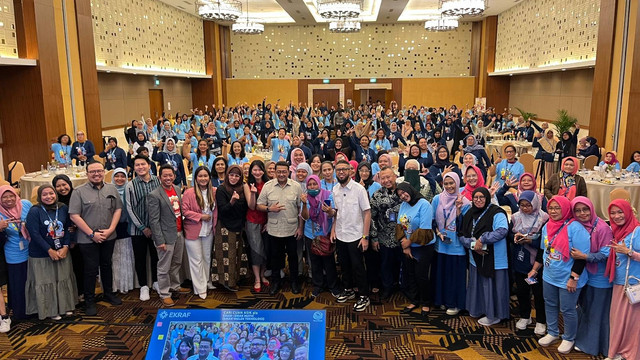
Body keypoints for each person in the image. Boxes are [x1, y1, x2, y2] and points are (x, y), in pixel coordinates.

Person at [527, 196, 590, 354]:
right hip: (549, 275)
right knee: (550, 303)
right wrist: (535, 270)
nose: (553, 211)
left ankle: (569, 337)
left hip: (568, 278)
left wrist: (573, 279)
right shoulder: (547, 226)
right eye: (551, 208)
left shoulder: (576, 228)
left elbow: (581, 257)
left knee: (568, 309)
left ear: (565, 209)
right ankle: (553, 332)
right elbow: (543, 250)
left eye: (557, 208)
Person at [69, 161, 123, 316]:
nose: (96, 174)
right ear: (87, 174)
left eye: (99, 171)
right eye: (92, 172)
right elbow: (74, 215)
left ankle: (108, 293)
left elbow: (118, 209)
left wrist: (111, 229)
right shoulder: (79, 191)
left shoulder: (111, 188)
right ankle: (89, 300)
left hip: (109, 235)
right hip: (87, 239)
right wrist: (92, 234)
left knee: (107, 265)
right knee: (90, 270)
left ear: (103, 172)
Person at [24, 185, 77, 320]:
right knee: (46, 282)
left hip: (62, 251)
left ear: (55, 194)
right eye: (45, 195)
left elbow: (68, 228)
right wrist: (49, 250)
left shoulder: (63, 208)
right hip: (41, 254)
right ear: (40, 197)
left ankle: (65, 307)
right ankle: (50, 310)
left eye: (51, 193)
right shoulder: (34, 211)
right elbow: (34, 234)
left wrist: (65, 246)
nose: (49, 197)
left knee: (63, 279)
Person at [459, 187, 509, 326]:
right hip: (475, 256)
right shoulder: (470, 213)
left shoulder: (496, 212)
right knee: (478, 285)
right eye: (475, 197)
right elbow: (462, 234)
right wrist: (474, 245)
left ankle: (494, 315)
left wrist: (483, 239)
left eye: (482, 197)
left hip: (494, 259)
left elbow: (502, 231)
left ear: (487, 198)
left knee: (492, 287)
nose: (478, 200)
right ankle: (480, 309)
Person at [570, 196, 613, 357]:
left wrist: (585, 256)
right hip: (584, 275)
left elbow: (606, 253)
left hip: (600, 277)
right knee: (586, 308)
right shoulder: (576, 226)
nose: (582, 214)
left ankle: (595, 345)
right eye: (578, 210)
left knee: (597, 312)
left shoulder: (602, 228)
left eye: (585, 209)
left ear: (592, 209)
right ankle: (583, 340)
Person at [256, 161, 304, 295]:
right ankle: (276, 281)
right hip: (274, 229)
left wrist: (300, 228)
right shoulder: (268, 186)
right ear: (275, 172)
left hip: (292, 229)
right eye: (279, 172)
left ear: (288, 172)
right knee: (275, 258)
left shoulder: (296, 186)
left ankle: (294, 281)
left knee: (293, 257)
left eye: (284, 172)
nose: (281, 174)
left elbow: (301, 209)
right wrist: (269, 208)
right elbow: (259, 205)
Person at [331, 160, 372, 312]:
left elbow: (367, 213)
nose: (341, 172)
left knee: (358, 267)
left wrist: (365, 236)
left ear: (350, 171)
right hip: (341, 233)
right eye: (338, 170)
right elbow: (336, 213)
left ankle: (364, 296)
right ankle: (348, 289)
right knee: (344, 265)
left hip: (356, 234)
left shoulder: (359, 189)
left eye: (344, 169)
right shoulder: (335, 189)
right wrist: (333, 230)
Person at [148, 164, 189, 307]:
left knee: (177, 262)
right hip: (165, 236)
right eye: (165, 175)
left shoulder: (177, 190)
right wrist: (159, 240)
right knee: (164, 267)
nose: (168, 178)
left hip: (179, 232)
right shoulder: (154, 195)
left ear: (174, 176)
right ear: (159, 177)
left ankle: (175, 286)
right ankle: (164, 293)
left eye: (170, 175)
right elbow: (153, 220)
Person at [604, 199, 640, 360]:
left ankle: (630, 354)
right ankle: (616, 351)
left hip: (634, 284)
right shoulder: (616, 231)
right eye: (613, 213)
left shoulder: (637, 231)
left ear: (628, 212)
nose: (617, 216)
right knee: (617, 320)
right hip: (619, 282)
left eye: (620, 212)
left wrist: (629, 252)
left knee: (633, 323)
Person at [509, 190, 548, 335]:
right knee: (522, 290)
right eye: (522, 205)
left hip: (536, 261)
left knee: (538, 293)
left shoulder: (544, 218)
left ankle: (541, 320)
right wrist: (515, 236)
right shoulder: (515, 217)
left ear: (535, 204)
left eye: (528, 205)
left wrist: (531, 240)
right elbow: (508, 233)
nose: (525, 208)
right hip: (520, 259)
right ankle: (525, 316)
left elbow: (546, 241)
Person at [396, 181, 435, 317]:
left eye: (404, 192)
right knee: (410, 274)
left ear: (410, 189)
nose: (402, 196)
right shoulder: (403, 205)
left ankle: (425, 303)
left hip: (423, 246)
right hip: (407, 246)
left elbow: (424, 230)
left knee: (421, 275)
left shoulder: (424, 205)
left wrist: (409, 242)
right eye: (399, 194)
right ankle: (414, 300)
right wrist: (404, 244)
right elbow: (399, 226)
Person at [432, 173, 469, 315]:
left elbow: (465, 226)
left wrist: (458, 210)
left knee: (455, 277)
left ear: (458, 183)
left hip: (457, 246)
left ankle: (455, 304)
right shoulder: (437, 199)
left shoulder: (464, 202)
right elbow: (433, 219)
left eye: (451, 183)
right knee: (442, 274)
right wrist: (438, 232)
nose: (449, 186)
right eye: (446, 184)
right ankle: (442, 300)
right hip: (441, 244)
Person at [126, 155, 161, 301]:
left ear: (149, 165)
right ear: (134, 168)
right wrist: (142, 227)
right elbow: (130, 208)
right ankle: (143, 286)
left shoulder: (158, 181)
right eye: (137, 165)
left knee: (156, 257)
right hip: (137, 230)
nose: (140, 167)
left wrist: (155, 227)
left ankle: (156, 282)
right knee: (140, 258)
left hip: (157, 229)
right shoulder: (131, 185)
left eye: (143, 164)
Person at [301, 175, 339, 298]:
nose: (312, 187)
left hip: (325, 233)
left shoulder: (328, 195)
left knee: (329, 262)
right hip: (310, 234)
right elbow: (305, 217)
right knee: (315, 262)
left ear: (319, 184)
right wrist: (304, 203)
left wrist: (328, 211)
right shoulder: (305, 197)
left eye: (314, 184)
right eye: (310, 185)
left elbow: (333, 213)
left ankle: (333, 286)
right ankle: (318, 286)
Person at [182, 166, 217, 299]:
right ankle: (199, 287)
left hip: (208, 230)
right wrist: (200, 216)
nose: (203, 179)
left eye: (205, 176)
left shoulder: (214, 191)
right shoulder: (189, 193)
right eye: (200, 176)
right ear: (195, 178)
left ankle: (206, 281)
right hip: (193, 230)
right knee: (196, 260)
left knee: (207, 257)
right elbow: (184, 211)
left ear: (209, 178)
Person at [214, 165, 249, 292]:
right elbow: (223, 210)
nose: (234, 178)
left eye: (237, 175)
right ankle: (227, 282)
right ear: (227, 175)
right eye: (231, 175)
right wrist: (232, 202)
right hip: (225, 226)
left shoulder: (243, 188)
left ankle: (237, 278)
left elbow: (245, 208)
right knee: (227, 256)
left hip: (239, 225)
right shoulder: (222, 189)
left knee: (237, 254)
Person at [370, 167, 403, 300]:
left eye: (388, 177)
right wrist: (374, 238)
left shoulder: (403, 192)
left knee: (402, 264)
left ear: (395, 176)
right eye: (383, 178)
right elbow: (372, 217)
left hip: (402, 237)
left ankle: (402, 286)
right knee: (385, 264)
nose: (386, 180)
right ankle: (387, 287)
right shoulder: (377, 195)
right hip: (384, 238)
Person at [0, 185, 32, 321]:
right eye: (4, 197)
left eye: (11, 195)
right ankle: (20, 312)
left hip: (30, 248)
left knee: (32, 281)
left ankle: (34, 309)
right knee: (18, 283)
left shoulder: (26, 204)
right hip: (12, 252)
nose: (9, 199)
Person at [53, 174, 83, 298]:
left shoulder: (78, 197)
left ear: (69, 184)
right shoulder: (53, 202)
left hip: (80, 236)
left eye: (64, 184)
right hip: (61, 239)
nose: (62, 188)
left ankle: (81, 292)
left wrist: (76, 226)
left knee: (79, 265)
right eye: (58, 186)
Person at [245, 161, 270, 293]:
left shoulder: (268, 184)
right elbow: (251, 206)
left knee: (265, 248)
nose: (257, 172)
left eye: (259, 170)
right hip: (252, 220)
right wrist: (253, 193)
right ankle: (257, 279)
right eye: (254, 170)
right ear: (251, 171)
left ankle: (262, 274)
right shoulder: (247, 185)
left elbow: (270, 204)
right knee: (255, 250)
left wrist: (269, 221)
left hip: (266, 220)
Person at [111, 168, 135, 294]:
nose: (119, 179)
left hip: (127, 227)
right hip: (112, 229)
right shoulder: (108, 191)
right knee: (115, 258)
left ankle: (127, 283)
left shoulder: (130, 190)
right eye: (117, 176)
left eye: (122, 176)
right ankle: (116, 284)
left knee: (126, 256)